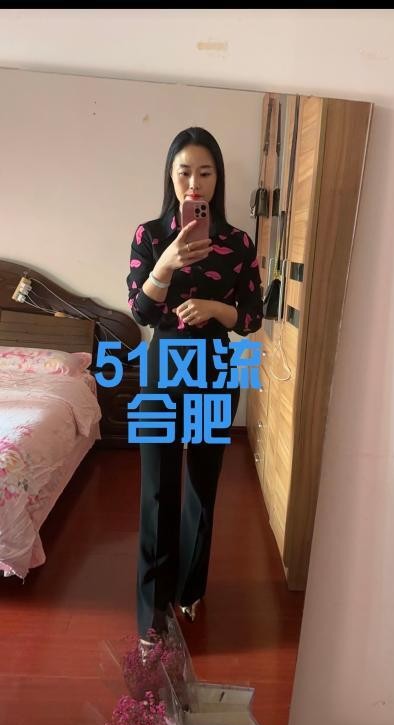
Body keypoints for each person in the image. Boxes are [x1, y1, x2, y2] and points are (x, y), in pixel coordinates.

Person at [126, 126, 263, 643]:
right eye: (184, 171)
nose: (194, 183)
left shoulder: (238, 243)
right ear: (170, 174)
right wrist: (167, 262)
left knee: (202, 489)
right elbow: (141, 311)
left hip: (214, 370)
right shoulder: (148, 236)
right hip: (162, 370)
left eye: (205, 172)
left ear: (217, 178)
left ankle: (189, 590)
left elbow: (252, 316)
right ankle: (150, 614)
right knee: (156, 491)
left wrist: (214, 308)